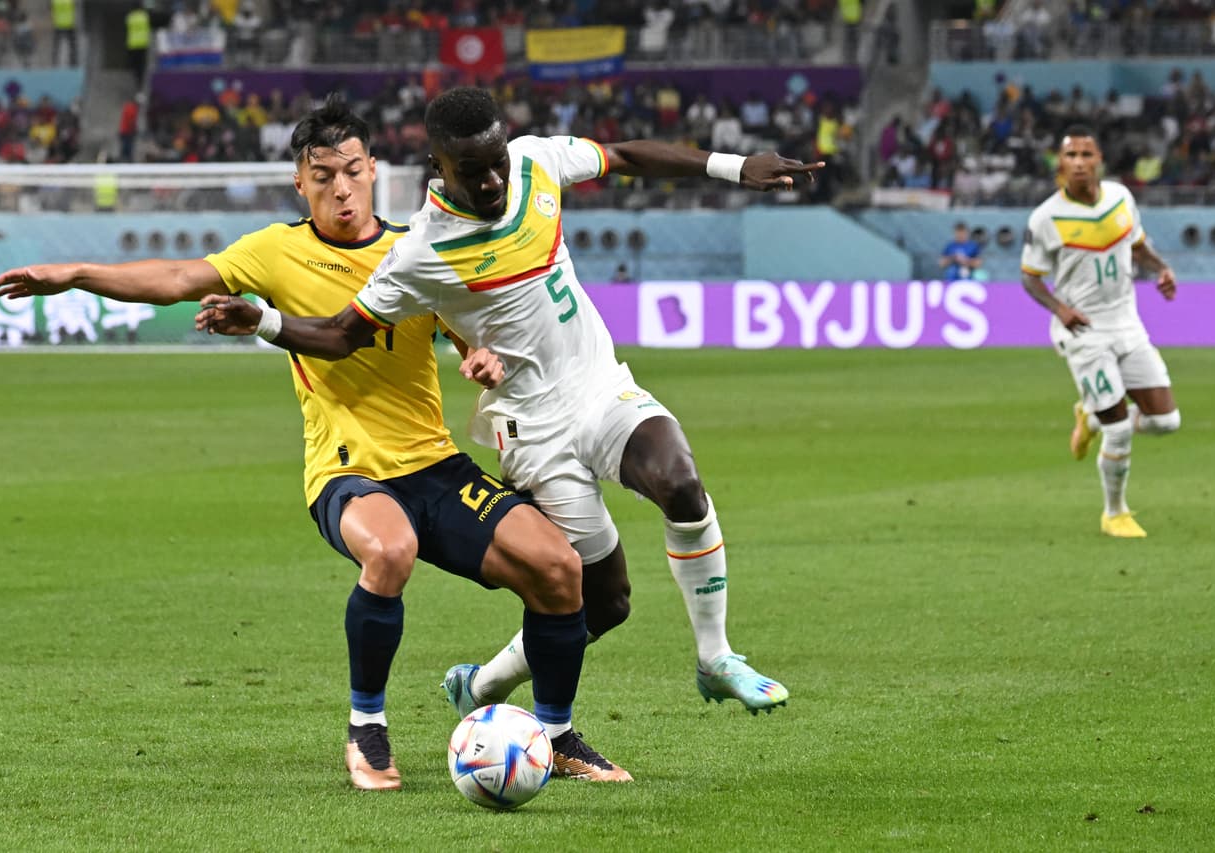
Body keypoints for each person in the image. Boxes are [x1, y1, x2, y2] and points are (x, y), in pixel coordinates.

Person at [0, 95, 629, 790]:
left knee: (561, 568)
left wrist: (484, 357)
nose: (341, 188)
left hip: (434, 466)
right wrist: (71, 274)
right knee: (390, 548)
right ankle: (367, 727)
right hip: (348, 473)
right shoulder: (276, 250)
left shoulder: (421, 248)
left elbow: (474, 332)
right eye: (322, 176)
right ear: (301, 183)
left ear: (376, 170)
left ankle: (557, 735)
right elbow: (177, 279)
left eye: (352, 170)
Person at [195, 86, 822, 722]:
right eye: (474, 169)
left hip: (601, 390)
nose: (495, 178)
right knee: (605, 604)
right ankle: (483, 686)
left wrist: (733, 166)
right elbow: (338, 334)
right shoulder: (421, 252)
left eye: (498, 158)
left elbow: (624, 156)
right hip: (533, 433)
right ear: (440, 167)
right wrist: (268, 322)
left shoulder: (534, 161)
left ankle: (715, 658)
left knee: (680, 481)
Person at [1019, 124, 1180, 539]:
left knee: (1166, 421)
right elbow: (1030, 277)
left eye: (1086, 155)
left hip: (1127, 322)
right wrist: (1060, 308)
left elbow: (1137, 245)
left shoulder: (1120, 198)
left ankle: (1088, 415)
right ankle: (1115, 513)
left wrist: (1160, 269)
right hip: (1084, 331)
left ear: (1099, 161)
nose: (1078, 163)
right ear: (1060, 162)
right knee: (1120, 428)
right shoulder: (1046, 217)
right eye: (1070, 155)